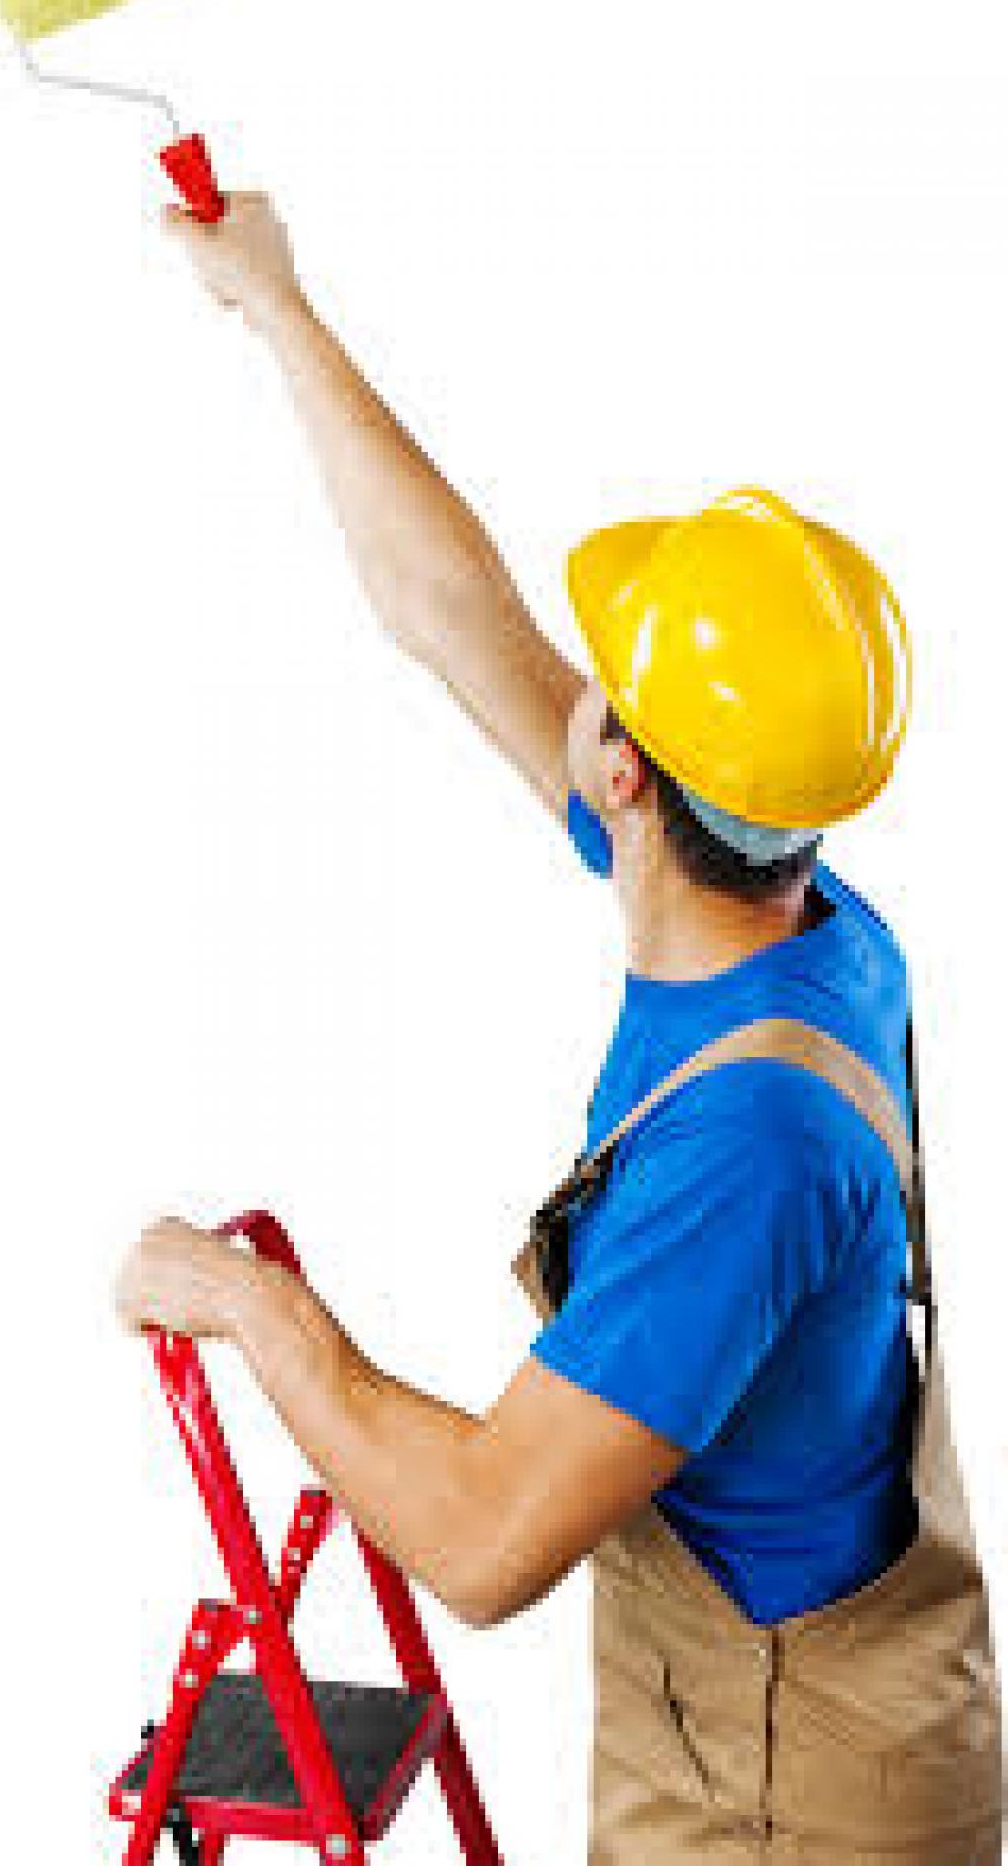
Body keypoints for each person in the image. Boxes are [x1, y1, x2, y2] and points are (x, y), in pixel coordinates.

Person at [115, 195, 1004, 1862]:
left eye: (605, 685)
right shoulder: (805, 918)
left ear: (628, 777)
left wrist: (250, 1305)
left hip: (784, 1807)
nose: (570, 687)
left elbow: (481, 1544)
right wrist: (277, 308)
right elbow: (458, 615)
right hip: (766, 1719)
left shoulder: (747, 1147)